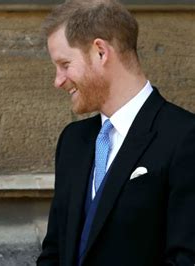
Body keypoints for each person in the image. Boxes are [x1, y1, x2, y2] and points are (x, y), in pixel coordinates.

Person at [37, 0, 195, 265]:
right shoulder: (73, 142)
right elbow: (54, 251)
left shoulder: (185, 138)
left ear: (100, 52)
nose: (58, 80)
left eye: (65, 64)